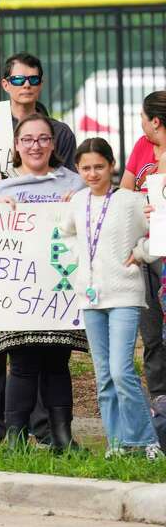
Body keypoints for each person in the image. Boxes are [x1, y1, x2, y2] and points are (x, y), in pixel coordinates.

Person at [0, 113, 86, 450]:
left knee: (57, 362)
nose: (35, 146)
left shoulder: (74, 183)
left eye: (42, 139)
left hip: (60, 291)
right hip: (18, 292)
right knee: (22, 364)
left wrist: (80, 207)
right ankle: (15, 439)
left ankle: (61, 437)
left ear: (53, 144)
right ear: (16, 145)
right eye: (28, 139)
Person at [59, 137, 162, 460]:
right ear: (78, 169)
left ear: (112, 166)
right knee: (103, 375)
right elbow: (64, 234)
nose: (93, 174)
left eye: (99, 167)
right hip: (90, 297)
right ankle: (117, 442)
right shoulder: (76, 202)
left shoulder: (129, 201)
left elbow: (157, 232)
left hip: (125, 294)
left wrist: (141, 253)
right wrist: (77, 262)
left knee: (121, 371)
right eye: (86, 168)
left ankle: (146, 440)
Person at [120, 91, 166, 402]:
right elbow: (125, 192)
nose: (141, 124)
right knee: (151, 338)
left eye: (142, 118)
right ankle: (160, 404)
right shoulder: (142, 146)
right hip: (146, 253)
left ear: (155, 121)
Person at [1, 52, 76, 171]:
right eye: (18, 80)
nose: (27, 85)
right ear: (5, 85)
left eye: (34, 80)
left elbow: (68, 181)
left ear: (41, 84)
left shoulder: (61, 133)